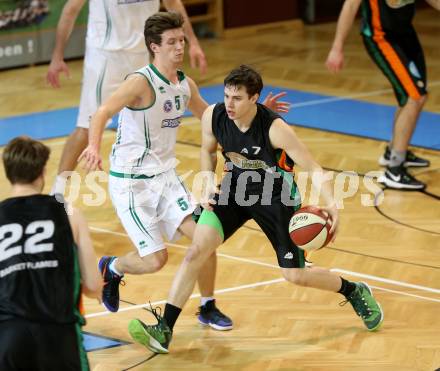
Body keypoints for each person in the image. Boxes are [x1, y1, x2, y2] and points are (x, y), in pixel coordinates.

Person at [126, 65, 384, 354]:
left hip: (276, 200)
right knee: (197, 249)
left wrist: (333, 204)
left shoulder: (275, 129)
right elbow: (206, 150)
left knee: (295, 275)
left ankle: (353, 290)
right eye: (226, 96)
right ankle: (165, 329)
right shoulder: (214, 115)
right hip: (233, 191)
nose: (229, 104)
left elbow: (312, 165)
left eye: (237, 98)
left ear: (254, 98)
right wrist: (209, 182)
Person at [78, 12, 289, 331]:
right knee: (155, 260)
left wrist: (255, 112)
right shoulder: (140, 82)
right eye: (172, 42)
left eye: (182, 40)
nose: (180, 47)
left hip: (166, 178)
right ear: (154, 47)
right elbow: (102, 112)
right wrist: (94, 147)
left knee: (205, 239)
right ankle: (113, 267)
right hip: (132, 183)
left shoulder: (184, 85)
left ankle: (208, 306)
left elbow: (213, 118)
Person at [47, 0, 207, 196]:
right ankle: (57, 192)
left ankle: (147, 181)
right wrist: (57, 55)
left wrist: (193, 43)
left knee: (149, 121)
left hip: (142, 53)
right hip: (106, 56)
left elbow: (174, 4)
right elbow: (71, 10)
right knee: (87, 126)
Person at [0, 136, 102, 370]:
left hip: (8, 336)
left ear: (8, 173)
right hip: (57, 335)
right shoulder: (68, 212)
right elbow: (93, 286)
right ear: (43, 171)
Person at [326, 0, 440, 190]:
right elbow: (350, 6)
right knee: (414, 96)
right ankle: (394, 170)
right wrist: (337, 48)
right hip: (380, 38)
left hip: (405, 35)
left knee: (413, 96)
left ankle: (392, 152)